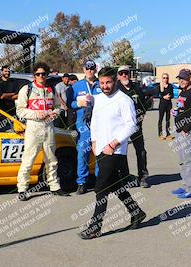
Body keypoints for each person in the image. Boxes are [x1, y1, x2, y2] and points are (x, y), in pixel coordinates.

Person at [78, 67, 146, 239]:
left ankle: (95, 226)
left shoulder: (124, 100)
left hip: (115, 150)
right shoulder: (99, 99)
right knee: (115, 185)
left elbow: (132, 125)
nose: (105, 86)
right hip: (100, 148)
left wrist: (113, 143)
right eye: (102, 83)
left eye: (108, 82)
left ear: (115, 81)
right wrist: (94, 141)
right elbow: (94, 121)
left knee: (101, 188)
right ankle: (136, 212)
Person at [16, 62, 69, 200]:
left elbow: (58, 107)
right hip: (34, 127)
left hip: (49, 127)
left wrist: (54, 113)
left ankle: (54, 186)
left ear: (47, 75)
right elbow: (20, 110)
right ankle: (22, 188)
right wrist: (36, 114)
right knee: (28, 159)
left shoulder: (52, 89)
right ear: (34, 75)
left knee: (51, 159)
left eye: (43, 74)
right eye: (38, 74)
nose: (41, 76)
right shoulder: (26, 89)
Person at [67, 60, 102, 194]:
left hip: (100, 124)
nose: (90, 70)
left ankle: (100, 181)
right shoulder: (77, 86)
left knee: (99, 153)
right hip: (83, 125)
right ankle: (82, 183)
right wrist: (78, 103)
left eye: (92, 68)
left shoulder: (101, 84)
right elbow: (69, 104)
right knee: (82, 154)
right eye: (87, 68)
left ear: (95, 69)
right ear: (83, 69)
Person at [116, 65, 150, 188]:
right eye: (121, 73)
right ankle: (124, 178)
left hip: (135, 126)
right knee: (121, 153)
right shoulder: (116, 90)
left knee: (141, 151)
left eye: (126, 73)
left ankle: (143, 177)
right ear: (118, 76)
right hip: (121, 128)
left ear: (129, 74)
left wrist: (140, 118)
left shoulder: (136, 88)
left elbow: (144, 105)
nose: (124, 75)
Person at [171, 69, 191, 198]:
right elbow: (182, 108)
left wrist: (186, 129)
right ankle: (185, 185)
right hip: (179, 129)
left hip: (186, 131)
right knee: (182, 160)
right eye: (179, 78)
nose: (181, 81)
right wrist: (175, 111)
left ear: (189, 78)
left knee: (189, 160)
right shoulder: (182, 92)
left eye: (183, 78)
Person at [157, 73, 174, 140]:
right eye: (164, 78)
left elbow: (172, 95)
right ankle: (160, 134)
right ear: (162, 78)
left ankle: (168, 134)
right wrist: (164, 97)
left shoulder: (170, 86)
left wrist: (169, 96)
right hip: (162, 105)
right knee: (160, 119)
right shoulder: (159, 86)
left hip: (169, 105)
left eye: (166, 78)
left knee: (168, 119)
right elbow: (157, 95)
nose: (165, 79)